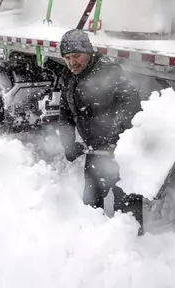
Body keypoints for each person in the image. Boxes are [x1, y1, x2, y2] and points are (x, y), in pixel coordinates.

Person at [58, 29, 144, 233]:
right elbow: (65, 115)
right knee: (89, 207)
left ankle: (133, 249)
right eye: (67, 57)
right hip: (95, 151)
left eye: (77, 56)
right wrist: (68, 144)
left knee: (128, 210)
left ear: (88, 52)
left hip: (120, 153)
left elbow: (131, 103)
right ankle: (93, 246)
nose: (72, 62)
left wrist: (115, 137)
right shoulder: (68, 77)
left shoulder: (108, 71)